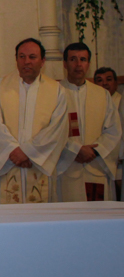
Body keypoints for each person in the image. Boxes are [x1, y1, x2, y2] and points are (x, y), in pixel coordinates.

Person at [0, 38, 67, 204]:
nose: (26, 61)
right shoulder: (0, 87)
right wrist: (13, 152)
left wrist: (28, 152)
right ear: (16, 59)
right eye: (22, 56)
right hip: (7, 163)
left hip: (38, 165)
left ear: (42, 61)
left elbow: (57, 130)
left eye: (32, 57)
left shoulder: (57, 91)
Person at [55, 43, 121, 201]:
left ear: (88, 64)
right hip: (66, 169)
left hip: (96, 166)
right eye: (73, 59)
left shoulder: (102, 95)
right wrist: (75, 150)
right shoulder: (54, 93)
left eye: (83, 59)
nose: (78, 64)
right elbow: (48, 131)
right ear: (65, 64)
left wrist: (95, 151)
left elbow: (113, 131)